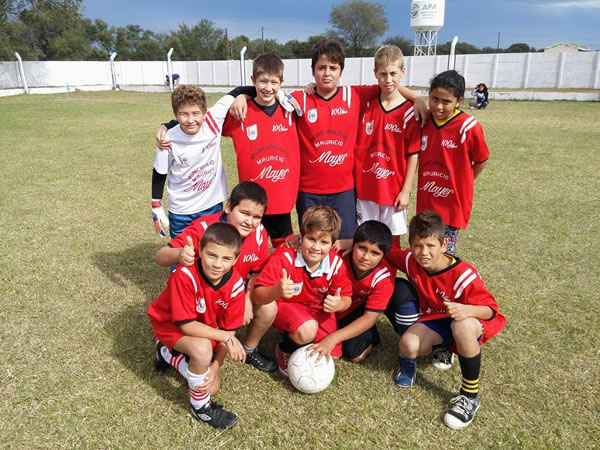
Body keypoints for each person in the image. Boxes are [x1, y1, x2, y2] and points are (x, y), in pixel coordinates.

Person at [230, 40, 428, 243]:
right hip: (308, 191)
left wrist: (417, 98)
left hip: (344, 191)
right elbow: (267, 91)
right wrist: (242, 96)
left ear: (341, 71)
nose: (327, 73)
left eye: (333, 68)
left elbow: (388, 85)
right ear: (313, 71)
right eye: (321, 68)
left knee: (345, 244)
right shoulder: (298, 99)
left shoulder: (355, 95)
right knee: (313, 243)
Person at [156, 55, 301, 248]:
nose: (268, 87)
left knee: (282, 248)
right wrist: (169, 125)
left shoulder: (292, 110)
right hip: (249, 201)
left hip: (282, 199)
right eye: (263, 81)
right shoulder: (239, 112)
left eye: (274, 82)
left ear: (281, 82)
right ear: (253, 80)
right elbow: (198, 122)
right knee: (246, 249)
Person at [385, 211, 506, 430]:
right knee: (407, 345)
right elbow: (385, 251)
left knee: (461, 326)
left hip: (466, 320)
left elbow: (491, 310)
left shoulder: (463, 275)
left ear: (444, 244)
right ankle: (436, 352)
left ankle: (469, 397)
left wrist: (466, 309)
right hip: (436, 321)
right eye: (417, 245)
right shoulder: (410, 260)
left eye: (431, 245)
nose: (424, 253)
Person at [154, 181, 277, 373]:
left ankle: (249, 350)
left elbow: (257, 270)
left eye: (256, 217)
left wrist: (247, 298)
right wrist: (179, 255)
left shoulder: (260, 233)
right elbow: (160, 256)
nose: (249, 222)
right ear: (228, 206)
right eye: (244, 213)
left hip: (231, 292)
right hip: (200, 296)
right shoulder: (205, 228)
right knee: (200, 350)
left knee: (268, 307)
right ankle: (169, 346)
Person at [147, 222, 247, 429]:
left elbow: (229, 330)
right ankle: (200, 408)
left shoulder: (236, 285)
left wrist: (216, 366)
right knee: (201, 350)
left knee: (211, 386)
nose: (217, 264)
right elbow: (186, 326)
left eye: (226, 258)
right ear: (200, 250)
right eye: (211, 255)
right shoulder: (185, 274)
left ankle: (166, 354)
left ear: (236, 259)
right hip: (171, 325)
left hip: (204, 328)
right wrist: (227, 338)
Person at [253, 206, 352, 376]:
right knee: (307, 330)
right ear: (301, 236)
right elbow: (258, 295)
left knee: (331, 354)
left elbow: (347, 298)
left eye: (324, 242)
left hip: (315, 308)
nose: (316, 247)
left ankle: (299, 334)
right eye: (311, 239)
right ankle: (285, 348)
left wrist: (339, 303)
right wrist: (277, 291)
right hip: (285, 304)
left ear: (332, 243)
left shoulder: (336, 264)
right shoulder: (284, 256)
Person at [354, 45, 421, 249]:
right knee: (364, 239)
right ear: (375, 73)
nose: (388, 79)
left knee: (390, 245)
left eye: (393, 73)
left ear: (403, 71)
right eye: (383, 74)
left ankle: (387, 281)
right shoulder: (365, 104)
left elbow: (413, 153)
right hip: (365, 188)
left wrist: (406, 190)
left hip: (393, 190)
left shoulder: (410, 112)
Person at [417, 70, 489, 256]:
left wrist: (465, 181)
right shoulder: (424, 120)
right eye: (434, 99)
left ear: (459, 101)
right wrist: (416, 99)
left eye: (446, 102)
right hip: (426, 204)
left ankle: (446, 285)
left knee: (443, 256)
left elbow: (481, 159)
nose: (439, 106)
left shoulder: (468, 127)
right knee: (422, 252)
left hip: (451, 208)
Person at [151, 85, 234, 240]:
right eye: (183, 114)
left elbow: (238, 91)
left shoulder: (213, 121)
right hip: (181, 210)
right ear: (175, 114)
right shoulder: (167, 138)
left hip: (212, 205)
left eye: (196, 113)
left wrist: (242, 98)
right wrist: (155, 203)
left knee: (212, 250)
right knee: (181, 255)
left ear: (204, 112)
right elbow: (160, 171)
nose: (190, 120)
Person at [307, 220, 396, 363]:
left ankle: (370, 335)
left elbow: (369, 317)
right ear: (352, 244)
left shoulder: (383, 278)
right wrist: (295, 239)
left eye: (375, 253)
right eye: (362, 248)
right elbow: (311, 245)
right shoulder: (337, 254)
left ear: (383, 256)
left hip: (354, 311)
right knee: (305, 335)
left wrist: (333, 338)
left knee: (356, 355)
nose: (366, 257)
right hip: (327, 306)